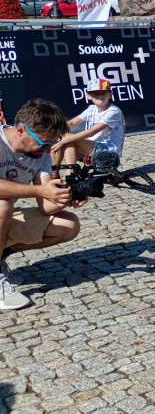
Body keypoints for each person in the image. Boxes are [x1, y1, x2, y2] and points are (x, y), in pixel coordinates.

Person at [1, 100, 84, 310]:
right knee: (3, 205)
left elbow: (46, 206)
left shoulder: (40, 155)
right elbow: (39, 191)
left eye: (52, 144)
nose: (48, 151)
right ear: (21, 130)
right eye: (44, 143)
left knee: (68, 225)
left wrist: (68, 195)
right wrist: (39, 190)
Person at [50, 79, 126, 172]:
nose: (100, 96)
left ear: (110, 94)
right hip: (93, 146)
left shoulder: (114, 111)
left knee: (68, 140)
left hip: (109, 152)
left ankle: (71, 175)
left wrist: (63, 140)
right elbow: (72, 123)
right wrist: (53, 133)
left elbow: (92, 132)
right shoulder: (91, 109)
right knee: (63, 139)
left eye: (104, 93)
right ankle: (54, 174)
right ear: (88, 96)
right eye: (96, 93)